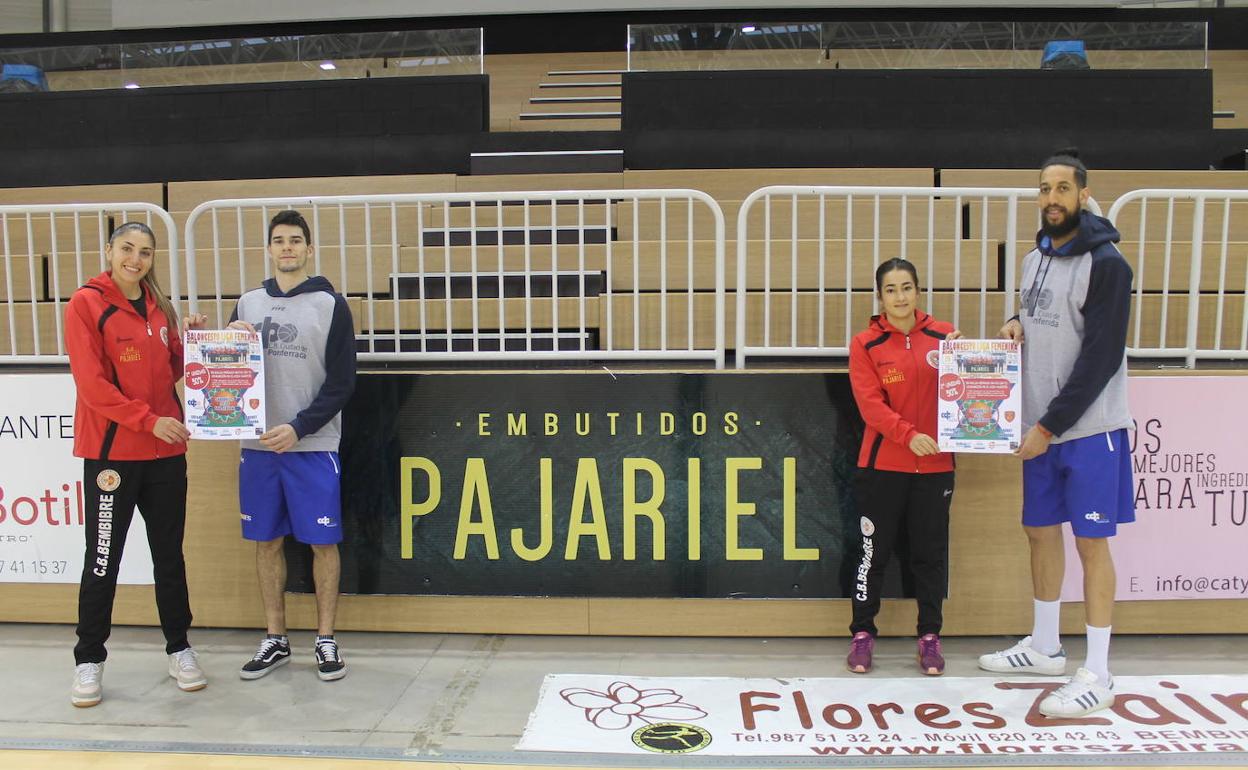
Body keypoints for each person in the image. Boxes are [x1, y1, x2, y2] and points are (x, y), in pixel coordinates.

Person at [978, 150, 1134, 718]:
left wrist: (1047, 427)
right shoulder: (1034, 259)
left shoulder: (1109, 265)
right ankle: (1045, 647)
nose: (1051, 198)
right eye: (1044, 189)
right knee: (1039, 532)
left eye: (1063, 189)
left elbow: (1099, 361)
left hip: (1088, 430)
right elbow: (1036, 316)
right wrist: (1016, 323)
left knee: (1093, 544)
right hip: (1040, 427)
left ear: (1084, 196)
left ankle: (1098, 671)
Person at [65, 222, 209, 707]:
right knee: (102, 559)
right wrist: (149, 422)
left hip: (167, 454)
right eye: (127, 248)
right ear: (109, 250)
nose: (136, 259)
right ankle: (89, 660)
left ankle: (180, 648)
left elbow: (172, 371)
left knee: (169, 556)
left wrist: (192, 342)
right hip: (113, 456)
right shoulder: (85, 304)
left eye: (145, 252)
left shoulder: (158, 306)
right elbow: (93, 386)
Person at [228, 210, 356, 682]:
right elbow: (221, 371)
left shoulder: (331, 305)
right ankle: (275, 638)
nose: (287, 247)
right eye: (279, 240)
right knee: (266, 541)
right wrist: (217, 336)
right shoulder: (246, 303)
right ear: (268, 248)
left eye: (295, 240)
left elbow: (343, 384)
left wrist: (299, 428)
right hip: (259, 446)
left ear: (308, 249)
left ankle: (325, 640)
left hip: (313, 444)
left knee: (324, 543)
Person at [846, 257, 960, 676]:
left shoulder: (946, 337)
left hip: (936, 469)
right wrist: (908, 434)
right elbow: (870, 406)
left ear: (918, 291)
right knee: (871, 554)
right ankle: (862, 635)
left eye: (907, 287)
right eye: (891, 289)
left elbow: (973, 391)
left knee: (930, 557)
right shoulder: (865, 344)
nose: (899, 296)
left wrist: (972, 357)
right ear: (880, 296)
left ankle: (930, 638)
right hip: (882, 467)